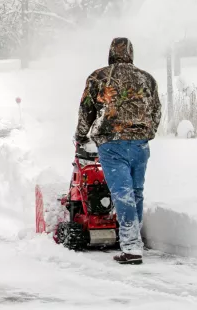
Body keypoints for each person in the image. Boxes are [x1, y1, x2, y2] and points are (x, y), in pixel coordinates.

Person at [74, 37, 162, 265]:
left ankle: (132, 247)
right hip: (140, 143)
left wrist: (81, 136)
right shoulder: (147, 79)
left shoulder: (98, 77)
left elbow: (87, 110)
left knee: (122, 193)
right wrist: (146, 132)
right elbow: (156, 110)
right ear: (131, 53)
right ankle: (134, 240)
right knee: (136, 191)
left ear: (111, 53)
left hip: (112, 144)